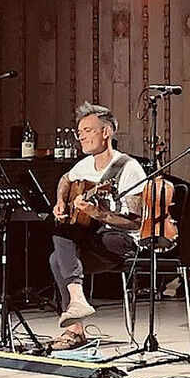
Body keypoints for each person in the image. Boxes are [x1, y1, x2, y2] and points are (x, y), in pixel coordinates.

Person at [49, 102, 146, 350]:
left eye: (88, 130)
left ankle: (75, 324)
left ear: (106, 132)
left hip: (122, 241)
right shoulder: (84, 165)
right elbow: (65, 179)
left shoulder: (128, 167)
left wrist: (99, 214)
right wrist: (61, 201)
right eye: (79, 131)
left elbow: (136, 221)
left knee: (58, 259)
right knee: (57, 249)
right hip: (96, 238)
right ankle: (77, 312)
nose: (81, 135)